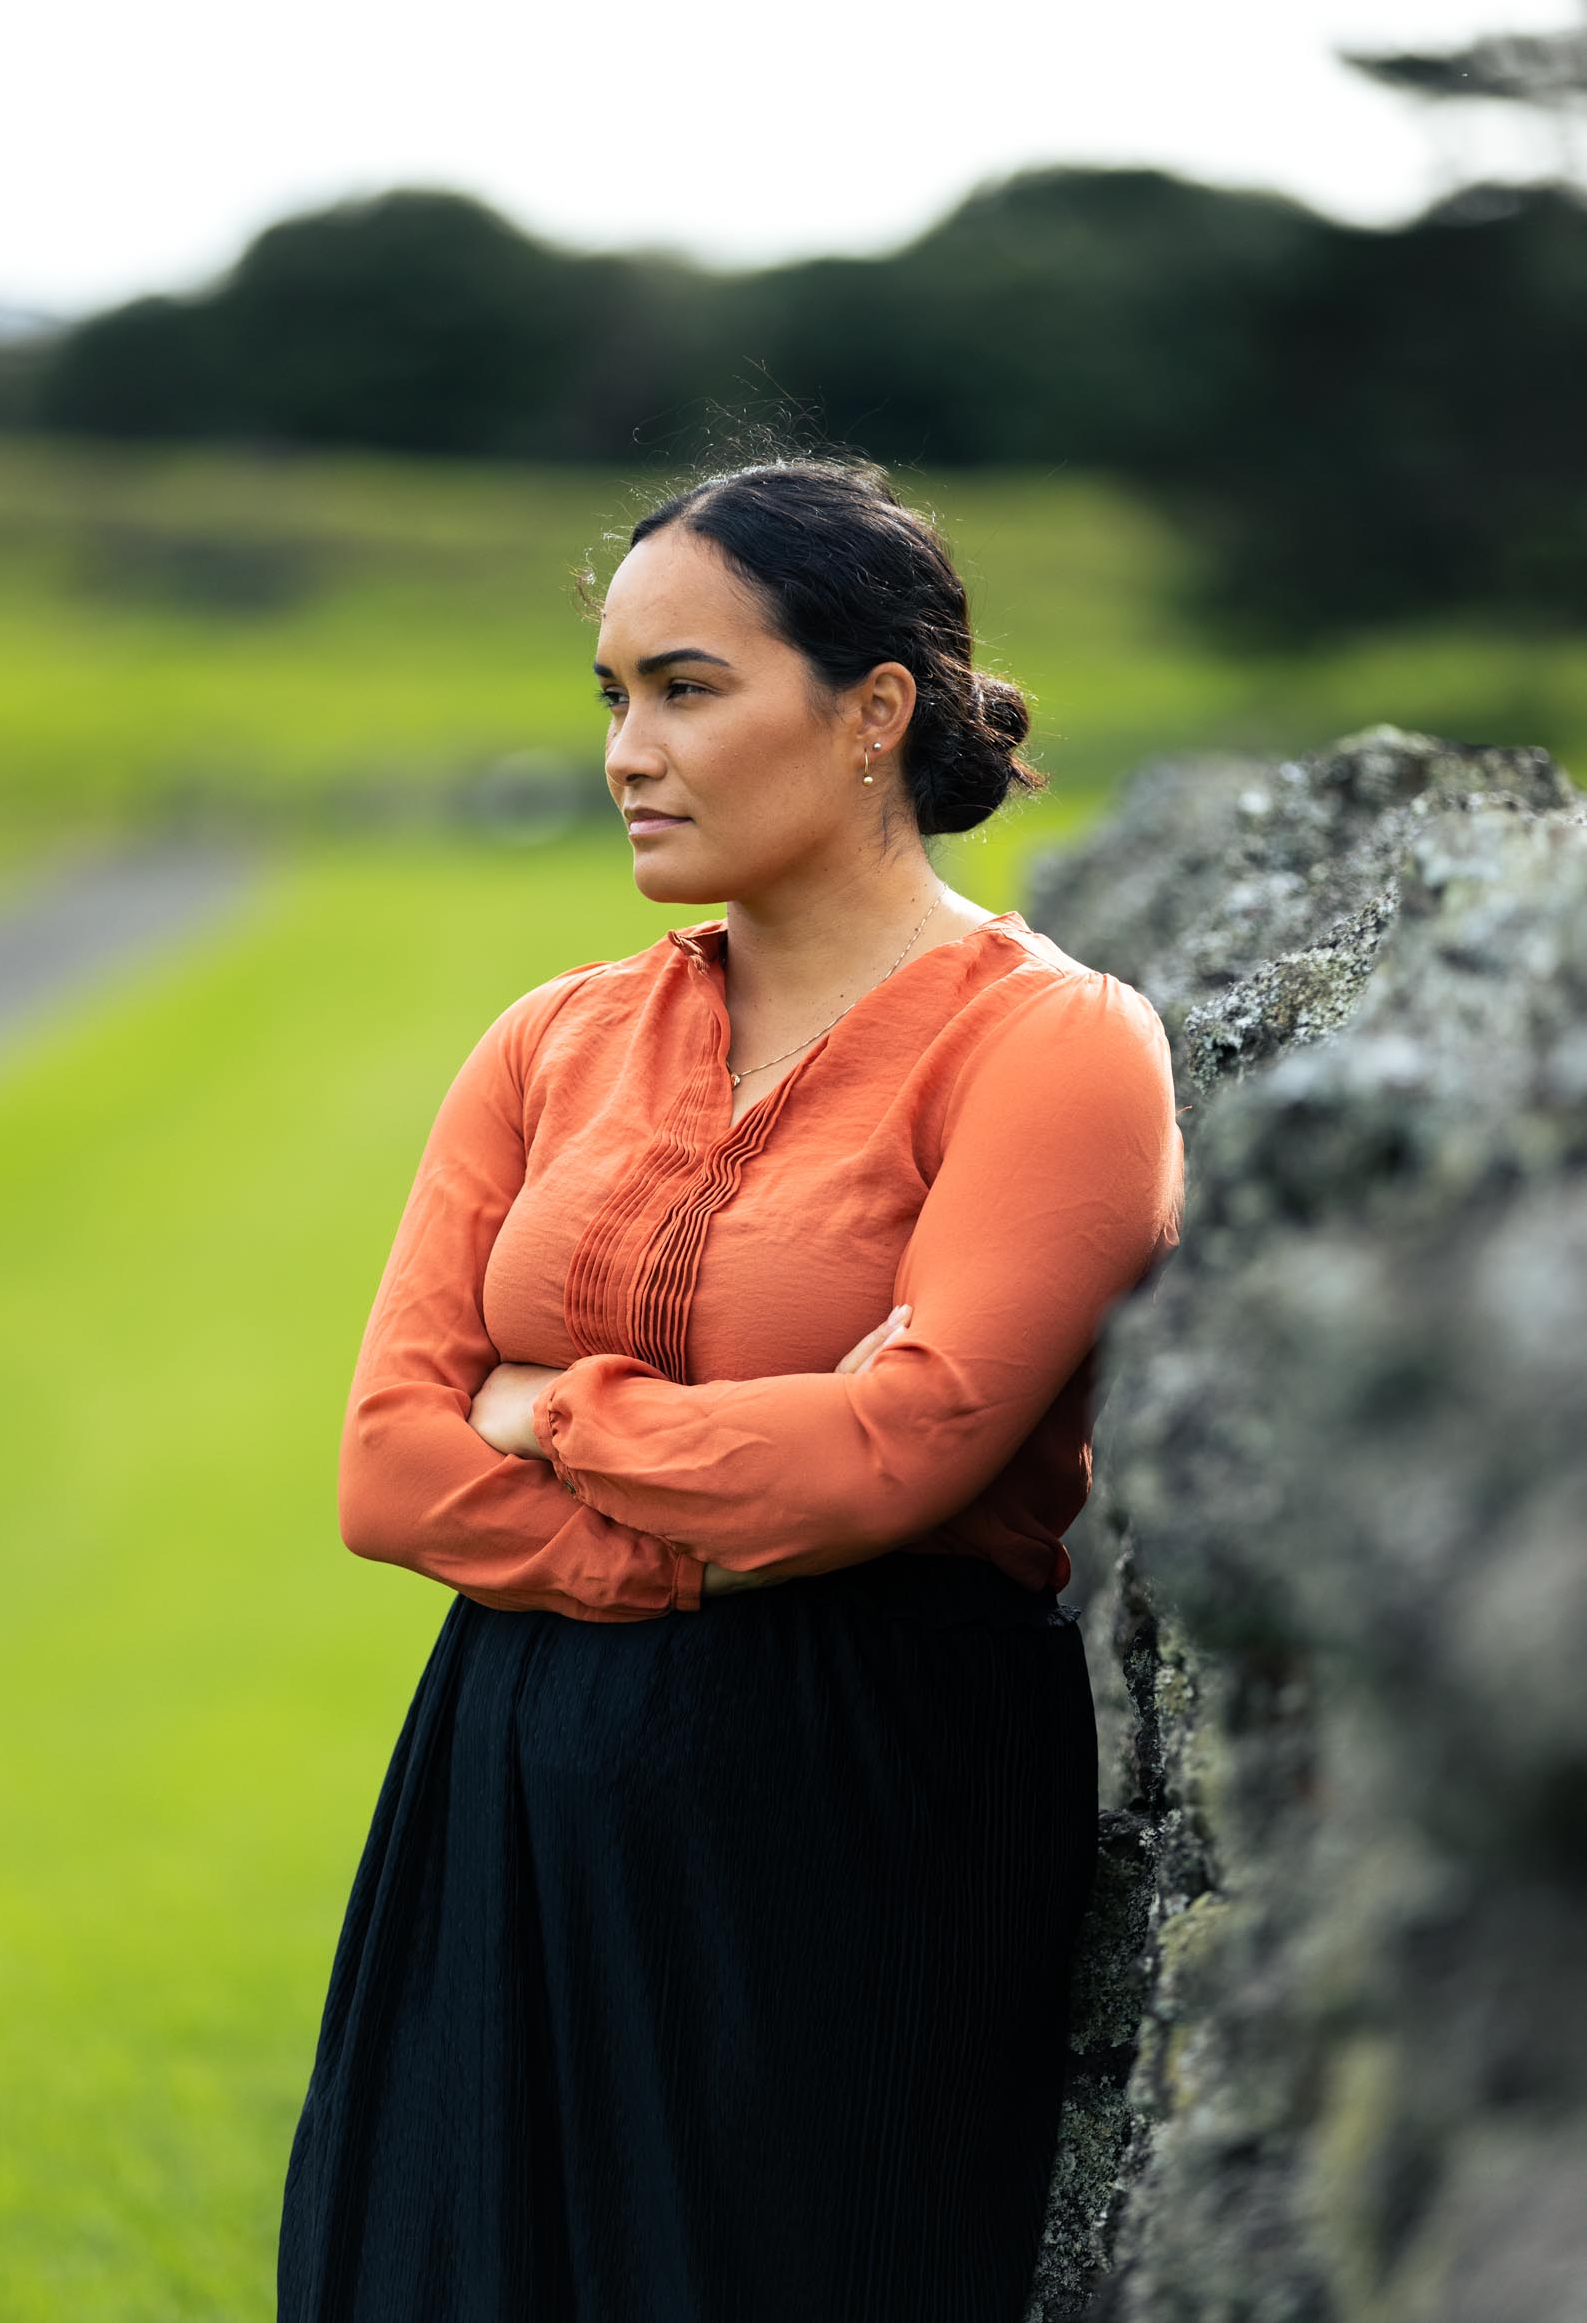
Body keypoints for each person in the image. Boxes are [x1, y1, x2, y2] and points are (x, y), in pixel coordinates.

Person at [277, 454, 1185, 2323]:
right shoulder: (552, 1039)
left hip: (857, 1808)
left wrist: (554, 1405)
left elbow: (890, 1460)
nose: (628, 748)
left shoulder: (1055, 1050)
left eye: (688, 689)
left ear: (874, 715)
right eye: (613, 695)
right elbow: (384, 1472)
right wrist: (692, 1539)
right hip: (506, 1775)